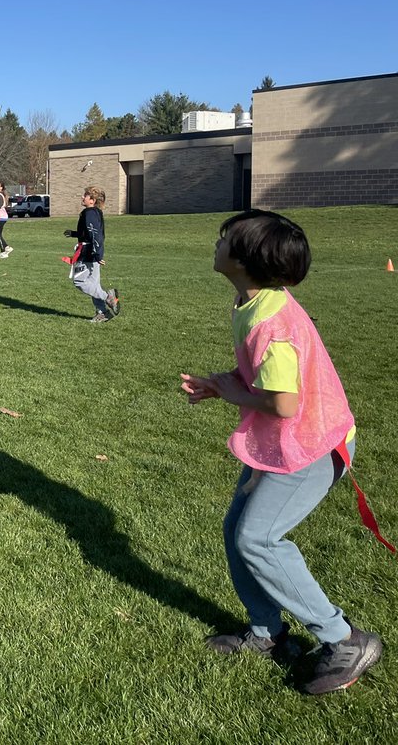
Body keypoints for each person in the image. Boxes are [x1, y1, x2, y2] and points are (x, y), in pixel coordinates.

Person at [181, 209, 383, 696]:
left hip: (312, 443)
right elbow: (263, 381)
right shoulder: (251, 300)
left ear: (247, 260)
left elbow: (284, 401)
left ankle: (344, 640)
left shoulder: (273, 324)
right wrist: (224, 383)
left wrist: (233, 394)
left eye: (226, 237)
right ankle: (267, 632)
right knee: (237, 530)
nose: (218, 240)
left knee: (258, 538)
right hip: (285, 438)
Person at [64, 185, 120, 322]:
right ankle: (103, 313)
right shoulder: (95, 212)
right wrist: (74, 234)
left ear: (92, 200)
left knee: (79, 282)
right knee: (94, 284)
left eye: (85, 195)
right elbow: (90, 233)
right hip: (93, 252)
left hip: (88, 253)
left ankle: (109, 297)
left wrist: (97, 254)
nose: (82, 197)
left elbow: (95, 235)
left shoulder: (89, 213)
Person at [0, 180, 13, 257]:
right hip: (1, 217)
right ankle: (7, 247)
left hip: (0, 217)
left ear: (1, 188)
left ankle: (3, 252)